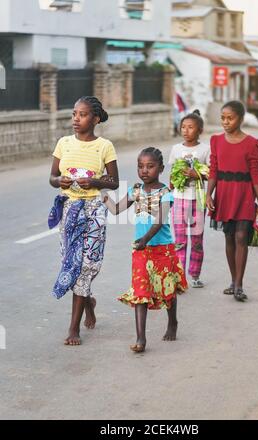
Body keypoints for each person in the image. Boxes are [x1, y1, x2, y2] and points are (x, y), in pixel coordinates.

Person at [49, 96, 119, 345]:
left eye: (83, 114)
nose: (76, 119)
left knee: (87, 264)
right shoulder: (64, 143)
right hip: (69, 210)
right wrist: (60, 182)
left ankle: (73, 329)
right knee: (72, 264)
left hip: (94, 210)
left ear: (96, 119)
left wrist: (96, 182)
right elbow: (53, 177)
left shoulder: (105, 146)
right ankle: (89, 303)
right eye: (74, 114)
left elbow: (114, 182)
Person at [104, 147, 188, 353]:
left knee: (167, 289)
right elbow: (116, 210)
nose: (144, 171)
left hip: (162, 249)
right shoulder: (136, 190)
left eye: (150, 166)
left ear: (160, 168)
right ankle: (141, 338)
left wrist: (145, 239)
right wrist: (104, 196)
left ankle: (172, 322)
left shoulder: (166, 193)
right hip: (141, 250)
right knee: (140, 291)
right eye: (140, 166)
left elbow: (160, 220)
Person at [206, 100, 258, 302]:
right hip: (224, 194)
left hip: (244, 194)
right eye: (223, 118)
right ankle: (233, 280)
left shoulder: (251, 143)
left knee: (241, 237)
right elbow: (214, 170)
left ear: (241, 118)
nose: (225, 122)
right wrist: (208, 194)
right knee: (229, 237)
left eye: (230, 118)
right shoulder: (216, 140)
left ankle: (239, 284)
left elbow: (255, 175)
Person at [168, 110, 210, 288]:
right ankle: (179, 277)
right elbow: (171, 175)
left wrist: (197, 174)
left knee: (197, 240)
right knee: (179, 241)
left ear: (199, 130)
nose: (185, 130)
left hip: (198, 201)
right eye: (183, 127)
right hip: (179, 199)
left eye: (190, 127)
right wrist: (172, 184)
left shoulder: (205, 149)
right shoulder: (176, 149)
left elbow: (210, 174)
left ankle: (195, 274)